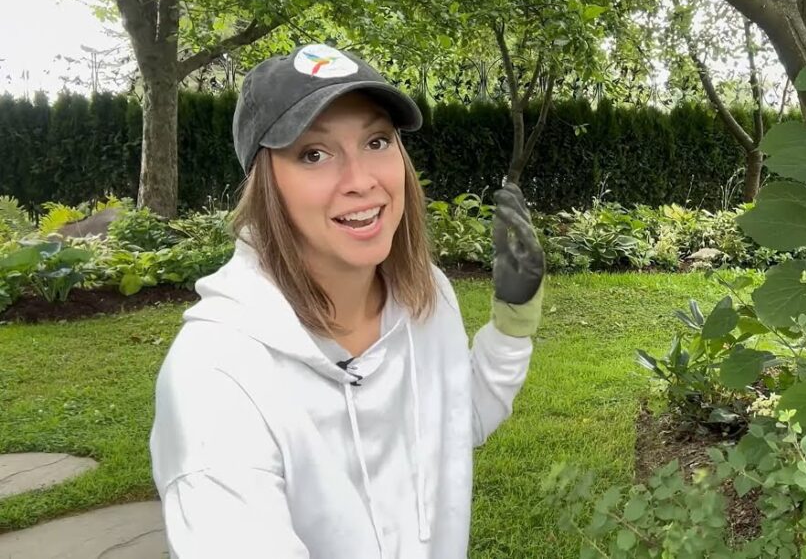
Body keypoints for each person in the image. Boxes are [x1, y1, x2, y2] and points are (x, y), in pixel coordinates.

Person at [148, 43, 545, 558]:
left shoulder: (426, 298)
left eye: (377, 141)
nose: (362, 181)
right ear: (265, 184)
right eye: (314, 154)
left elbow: (455, 422)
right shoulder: (216, 376)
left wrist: (513, 323)